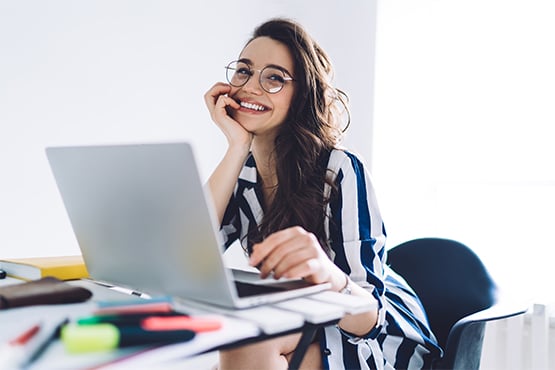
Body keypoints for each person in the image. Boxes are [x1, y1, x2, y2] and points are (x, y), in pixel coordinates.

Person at [204, 18, 442, 370]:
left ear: (302, 94)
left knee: (249, 344)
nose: (251, 87)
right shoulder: (243, 173)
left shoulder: (340, 168)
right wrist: (237, 146)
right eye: (244, 71)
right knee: (244, 341)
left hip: (377, 337)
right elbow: (191, 253)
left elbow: (368, 319)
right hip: (305, 319)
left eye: (273, 78)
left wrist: (327, 275)